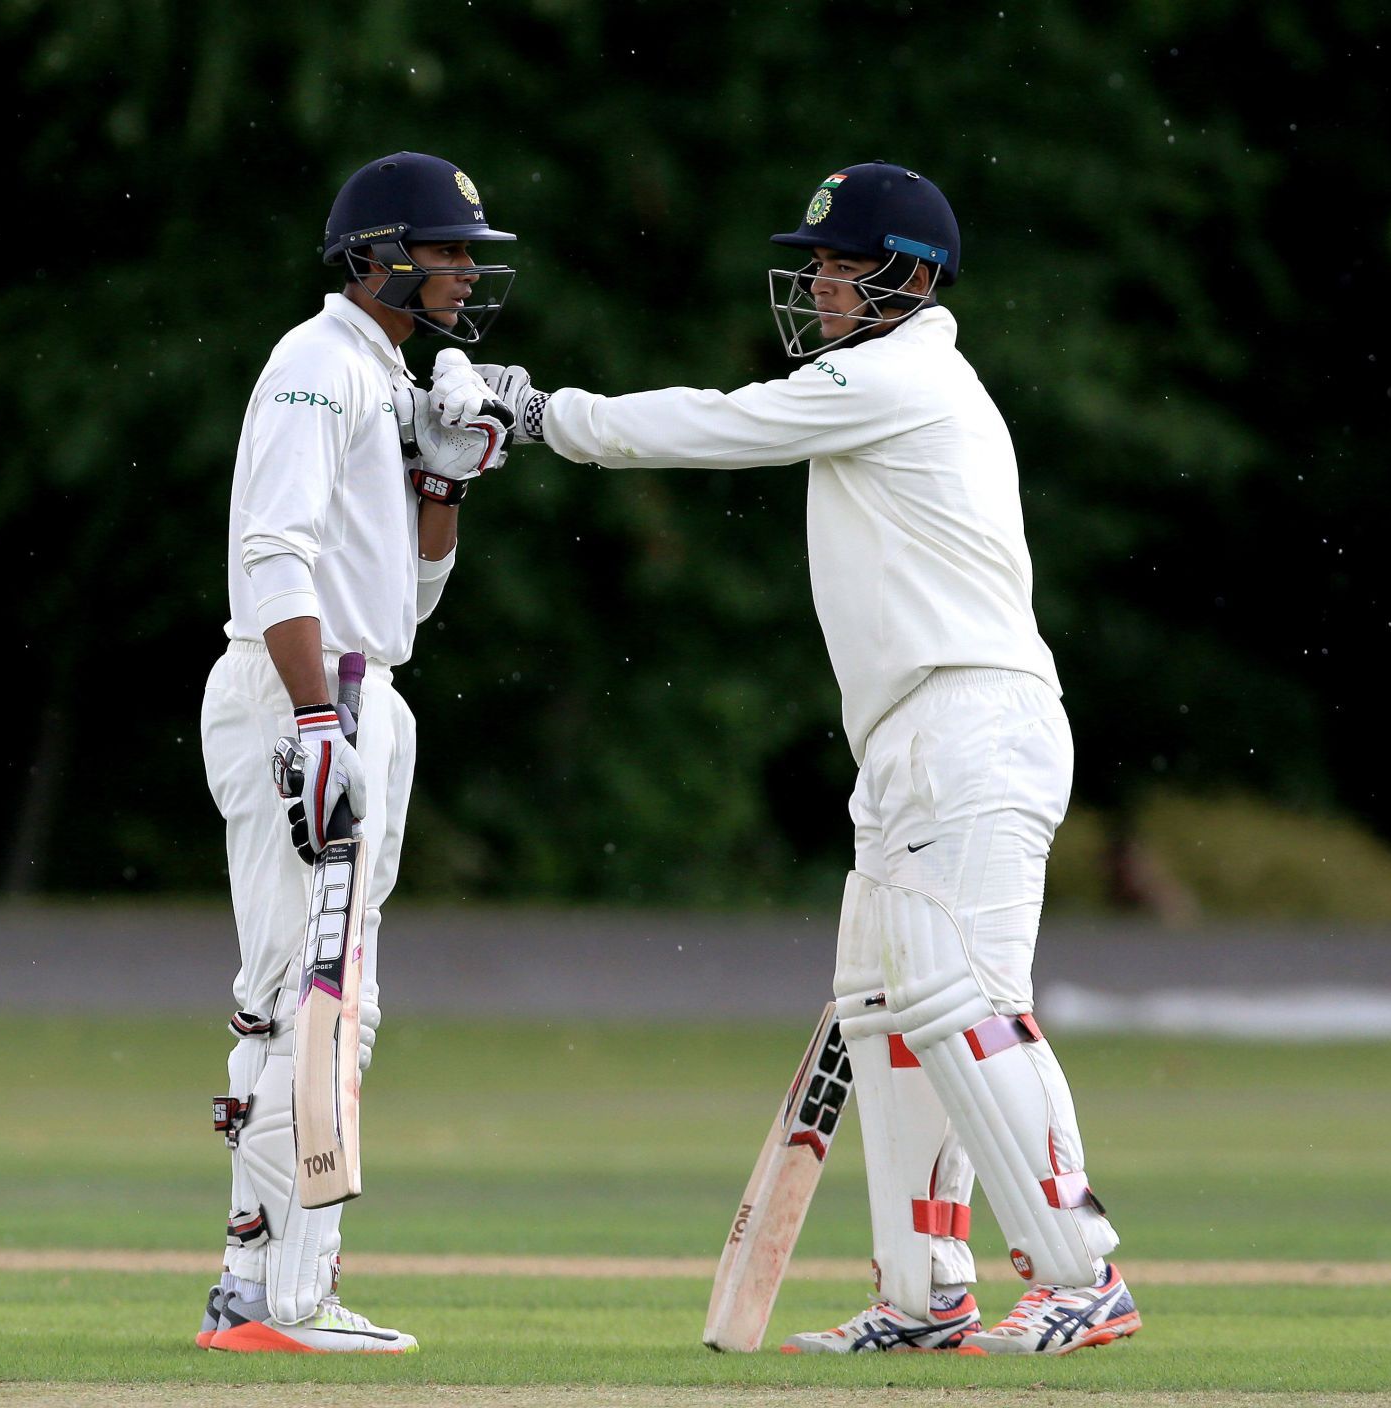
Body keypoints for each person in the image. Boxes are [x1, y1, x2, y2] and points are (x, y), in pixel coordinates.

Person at [439, 162, 1140, 1356]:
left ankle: (1081, 1270)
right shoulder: (887, 380)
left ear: (907, 277)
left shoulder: (901, 375)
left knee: (962, 1000)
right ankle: (926, 1297)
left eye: (835, 262)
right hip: (914, 738)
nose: (814, 282)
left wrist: (540, 407)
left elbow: (720, 422)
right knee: (885, 1013)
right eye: (812, 262)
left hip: (971, 721)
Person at [196, 151, 515, 1354]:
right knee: (317, 999)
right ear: (380, 255)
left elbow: (407, 603)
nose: (467, 273)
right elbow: (271, 554)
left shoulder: (381, 381)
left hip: (355, 686)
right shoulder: (317, 367)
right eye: (447, 251)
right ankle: (287, 1300)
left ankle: (252, 1285)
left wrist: (443, 484)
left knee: (305, 996)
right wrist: (317, 722)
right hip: (305, 693)